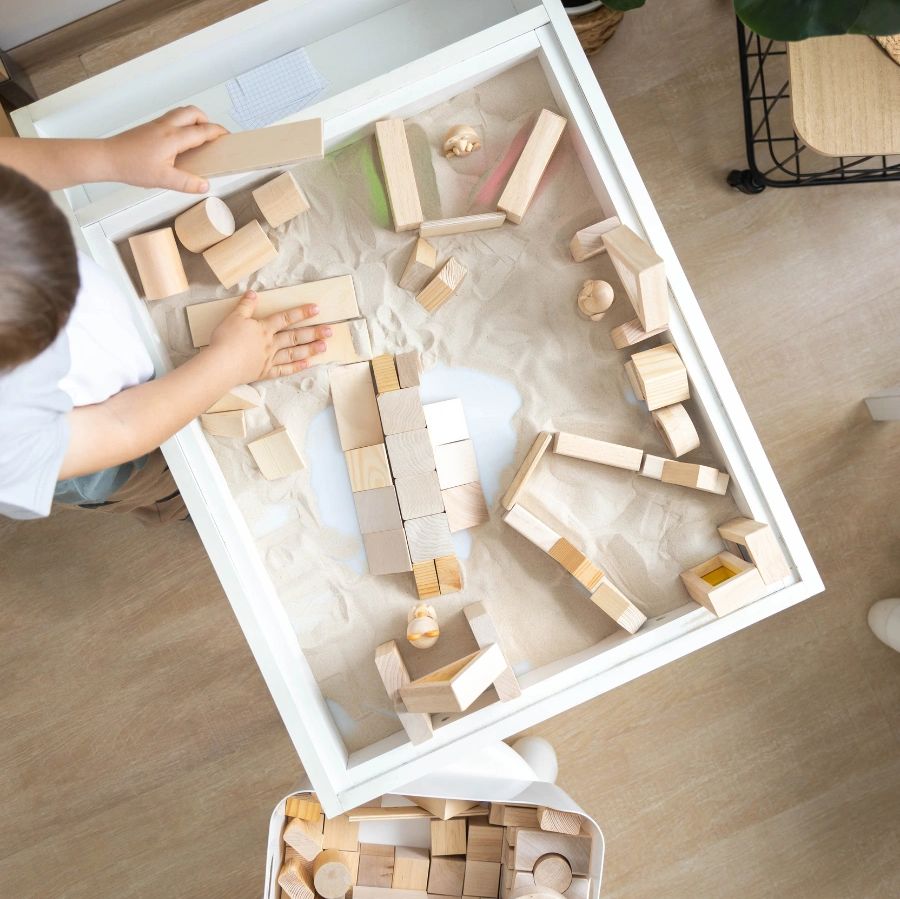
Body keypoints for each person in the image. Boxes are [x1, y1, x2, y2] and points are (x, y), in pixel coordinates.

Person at [0, 106, 329, 523]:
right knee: (165, 480)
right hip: (113, 448)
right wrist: (230, 363)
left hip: (107, 328)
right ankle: (171, 503)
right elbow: (121, 426)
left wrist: (108, 157)